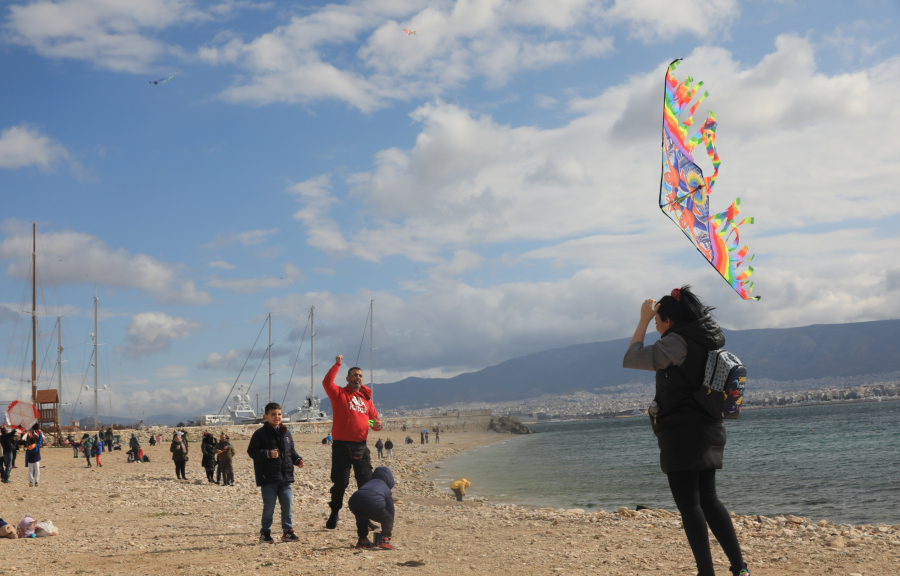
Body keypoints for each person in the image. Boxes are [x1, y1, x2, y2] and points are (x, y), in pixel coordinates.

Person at [622, 286, 750, 576]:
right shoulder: (705, 339)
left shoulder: (676, 343)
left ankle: (707, 573)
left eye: (657, 321)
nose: (655, 326)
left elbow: (632, 357)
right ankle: (740, 568)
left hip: (683, 433)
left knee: (690, 505)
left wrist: (642, 319)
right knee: (709, 499)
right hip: (710, 429)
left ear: (668, 320)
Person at [322, 354, 382, 530]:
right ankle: (334, 513)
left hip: (361, 447)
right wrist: (337, 364)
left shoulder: (366, 400)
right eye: (354, 375)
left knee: (365, 484)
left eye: (360, 376)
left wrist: (376, 424)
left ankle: (365, 518)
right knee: (341, 482)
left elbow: (370, 421)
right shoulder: (339, 393)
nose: (357, 378)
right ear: (348, 378)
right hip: (341, 445)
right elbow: (327, 383)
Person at [247, 402, 304, 543]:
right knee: (269, 506)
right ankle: (265, 532)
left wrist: (298, 460)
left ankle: (288, 532)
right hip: (268, 477)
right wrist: (267, 454)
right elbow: (252, 452)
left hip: (285, 477)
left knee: (287, 504)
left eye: (279, 414)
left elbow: (291, 452)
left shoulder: (286, 433)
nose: (277, 417)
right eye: (273, 414)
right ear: (266, 416)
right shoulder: (260, 434)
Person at [348, 466, 396, 550]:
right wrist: (390, 520)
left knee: (362, 517)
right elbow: (390, 508)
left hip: (354, 503)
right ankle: (385, 539)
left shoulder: (368, 483)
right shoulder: (385, 487)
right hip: (372, 504)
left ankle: (362, 540)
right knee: (387, 518)